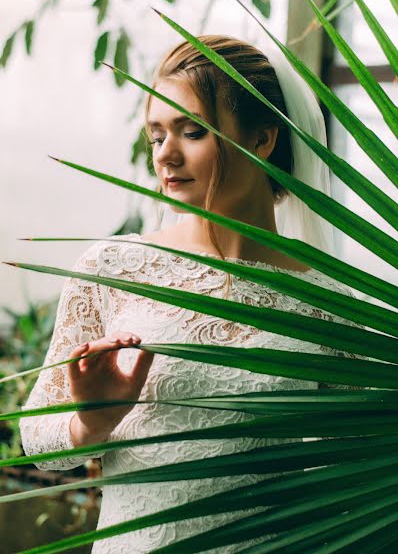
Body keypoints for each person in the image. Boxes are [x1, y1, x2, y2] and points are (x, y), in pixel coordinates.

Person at [19, 35, 361, 553]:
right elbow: (36, 446)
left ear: (264, 139)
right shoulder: (113, 268)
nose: (166, 155)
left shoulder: (331, 303)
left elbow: (355, 483)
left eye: (192, 130)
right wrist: (93, 420)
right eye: (156, 136)